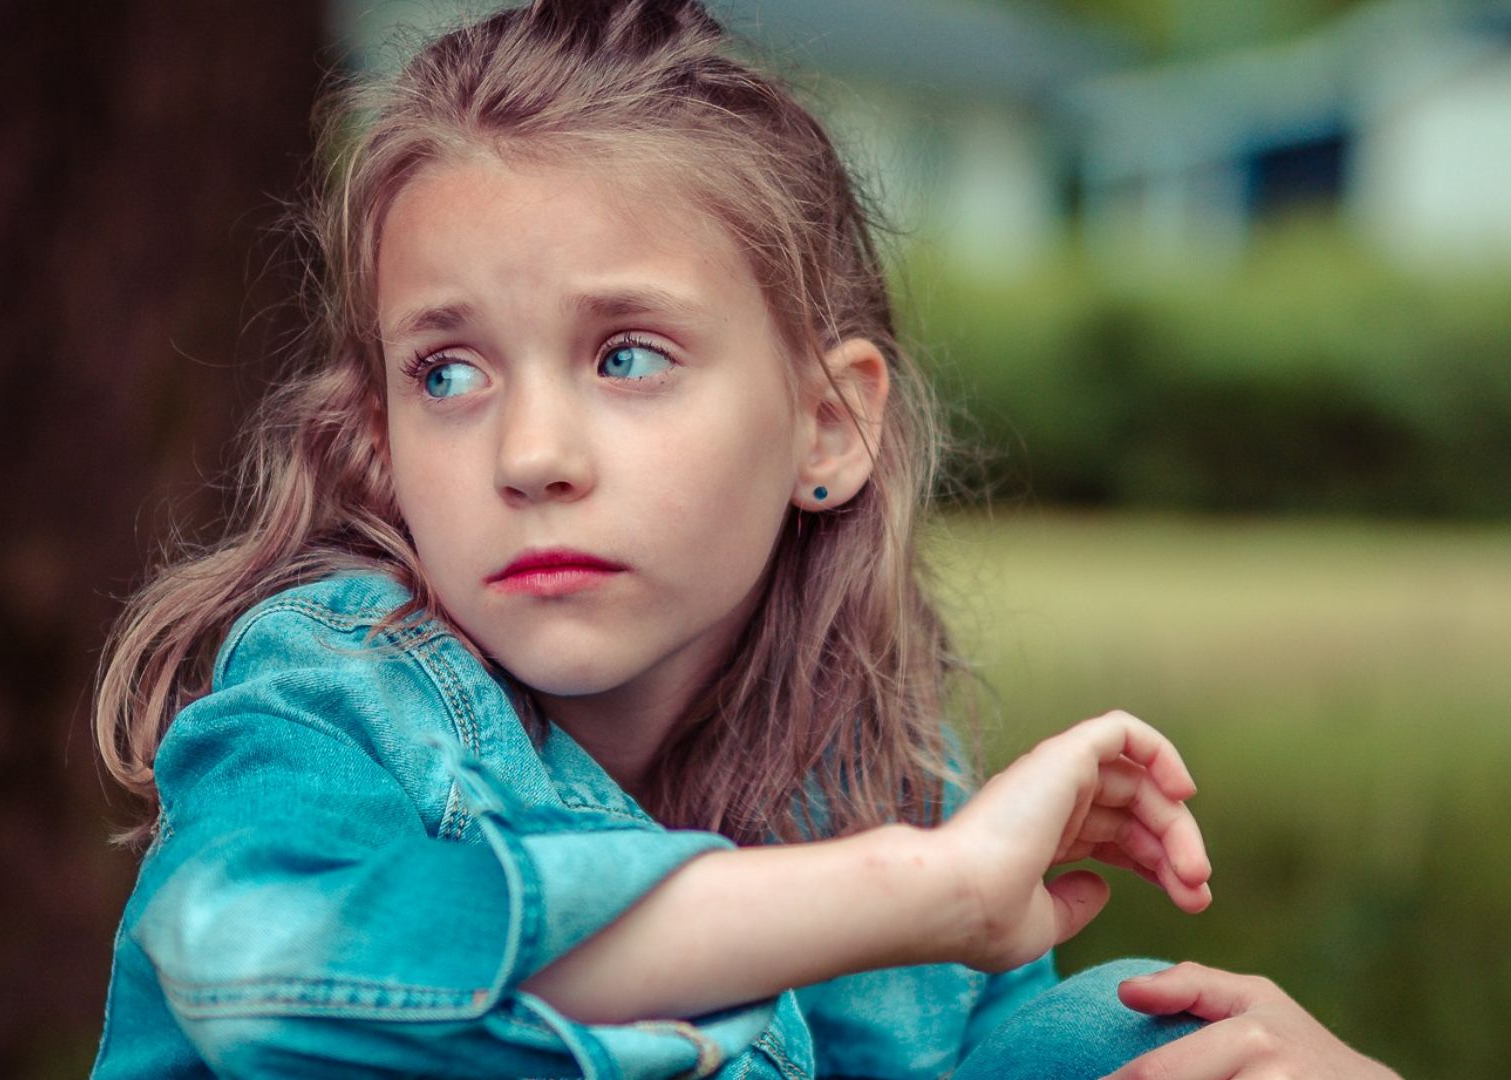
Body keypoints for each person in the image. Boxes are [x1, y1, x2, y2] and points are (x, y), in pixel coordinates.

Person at [89, 2, 1398, 1076]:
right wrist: (905, 890)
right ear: (378, 440)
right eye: (448, 374)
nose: (531, 455)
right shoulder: (331, 697)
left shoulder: (870, 768)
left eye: (628, 355)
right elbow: (262, 971)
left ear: (828, 426)